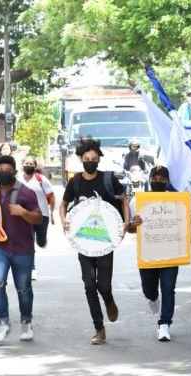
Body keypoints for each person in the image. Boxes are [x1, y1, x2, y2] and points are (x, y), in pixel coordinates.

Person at [59, 139, 130, 345]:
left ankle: (108, 300)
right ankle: (99, 328)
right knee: (89, 285)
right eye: (86, 159)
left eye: (94, 159)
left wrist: (125, 224)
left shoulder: (108, 179)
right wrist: (64, 221)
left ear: (99, 159)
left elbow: (124, 200)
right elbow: (63, 205)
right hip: (85, 242)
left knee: (104, 285)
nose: (90, 162)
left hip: (106, 241)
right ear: (81, 160)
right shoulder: (76, 182)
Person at [0, 155, 43, 342]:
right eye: (0, 171)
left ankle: (26, 322)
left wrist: (23, 212)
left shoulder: (26, 193)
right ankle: (3, 323)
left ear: (15, 172)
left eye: (7, 172)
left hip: (22, 248)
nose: (3, 174)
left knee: (23, 288)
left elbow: (38, 218)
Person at [126, 166, 179, 342]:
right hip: (148, 253)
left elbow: (186, 224)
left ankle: (164, 324)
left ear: (168, 181)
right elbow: (130, 229)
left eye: (162, 178)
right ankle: (153, 297)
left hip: (171, 252)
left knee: (168, 288)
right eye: (154, 178)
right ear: (149, 180)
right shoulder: (138, 201)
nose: (158, 181)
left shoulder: (177, 200)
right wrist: (135, 224)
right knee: (149, 289)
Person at [19, 155, 56, 280]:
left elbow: (51, 196)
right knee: (29, 242)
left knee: (40, 242)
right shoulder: (18, 180)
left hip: (42, 215)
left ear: (35, 167)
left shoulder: (41, 179)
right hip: (25, 216)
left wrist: (51, 213)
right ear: (22, 164)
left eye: (31, 164)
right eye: (26, 163)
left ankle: (42, 240)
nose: (28, 166)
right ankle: (31, 268)